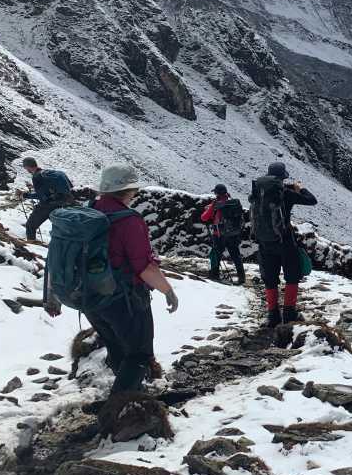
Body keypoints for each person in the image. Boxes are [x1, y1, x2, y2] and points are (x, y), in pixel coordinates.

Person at [47, 164, 179, 394]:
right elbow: (143, 266)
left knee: (117, 347)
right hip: (123, 299)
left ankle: (131, 394)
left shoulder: (92, 211)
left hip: (91, 298)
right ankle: (122, 406)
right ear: (128, 191)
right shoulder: (129, 220)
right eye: (133, 190)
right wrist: (167, 290)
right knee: (140, 352)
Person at [250, 161, 316, 327]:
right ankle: (289, 313)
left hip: (265, 242)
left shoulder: (258, 193)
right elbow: (311, 200)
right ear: (283, 177)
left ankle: (273, 315)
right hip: (285, 241)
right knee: (292, 276)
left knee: (270, 278)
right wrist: (299, 188)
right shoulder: (286, 193)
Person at [200, 183, 246, 285]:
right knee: (235, 255)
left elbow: (204, 217)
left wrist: (212, 205)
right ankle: (241, 277)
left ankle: (214, 274)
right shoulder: (233, 203)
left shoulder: (217, 204)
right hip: (233, 234)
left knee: (215, 254)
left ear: (217, 193)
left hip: (219, 234)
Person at [22, 156, 74, 241]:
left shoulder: (36, 177)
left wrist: (27, 195)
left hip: (48, 205)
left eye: (25, 167)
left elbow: (41, 196)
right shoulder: (49, 173)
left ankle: (31, 247)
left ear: (27, 167)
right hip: (62, 203)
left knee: (30, 225)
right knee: (59, 227)